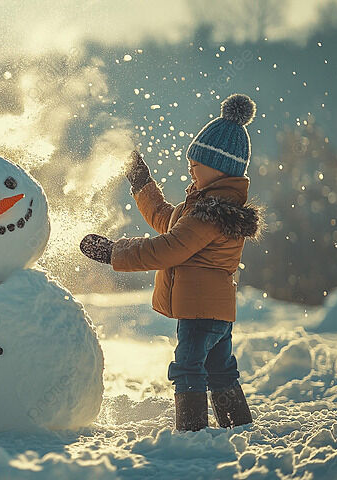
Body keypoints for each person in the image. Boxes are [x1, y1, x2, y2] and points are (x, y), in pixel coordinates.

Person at [80, 94, 262, 431]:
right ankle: (237, 425)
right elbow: (167, 219)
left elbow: (168, 248)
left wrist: (114, 253)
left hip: (199, 310)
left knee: (188, 368)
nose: (190, 169)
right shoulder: (208, 207)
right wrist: (142, 184)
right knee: (220, 369)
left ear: (220, 168)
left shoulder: (209, 214)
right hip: (216, 310)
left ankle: (191, 431)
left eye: (197, 164)